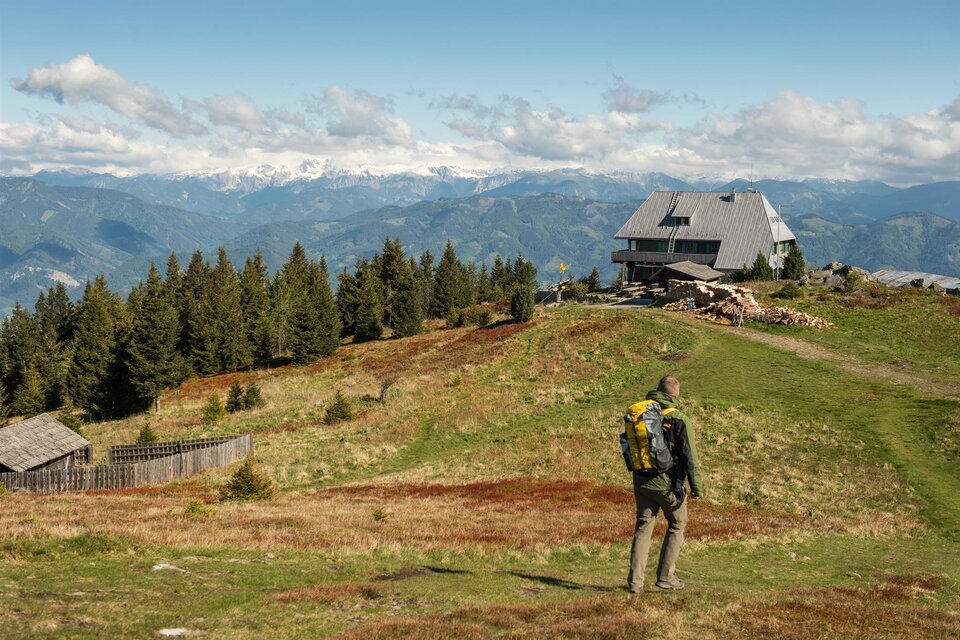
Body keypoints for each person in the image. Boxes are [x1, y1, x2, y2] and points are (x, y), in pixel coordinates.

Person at [627, 375, 704, 592]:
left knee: (643, 527)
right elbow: (691, 458)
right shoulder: (680, 419)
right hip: (667, 484)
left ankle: (635, 583)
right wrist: (697, 488)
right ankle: (665, 577)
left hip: (642, 481)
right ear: (676, 394)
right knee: (678, 524)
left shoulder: (642, 413)